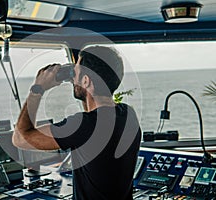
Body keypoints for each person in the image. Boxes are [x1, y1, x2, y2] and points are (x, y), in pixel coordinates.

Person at [12, 45, 142, 200]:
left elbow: (20, 138)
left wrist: (38, 88)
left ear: (86, 81)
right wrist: (81, 85)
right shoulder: (128, 114)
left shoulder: (83, 125)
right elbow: (95, 112)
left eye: (76, 74)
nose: (73, 78)